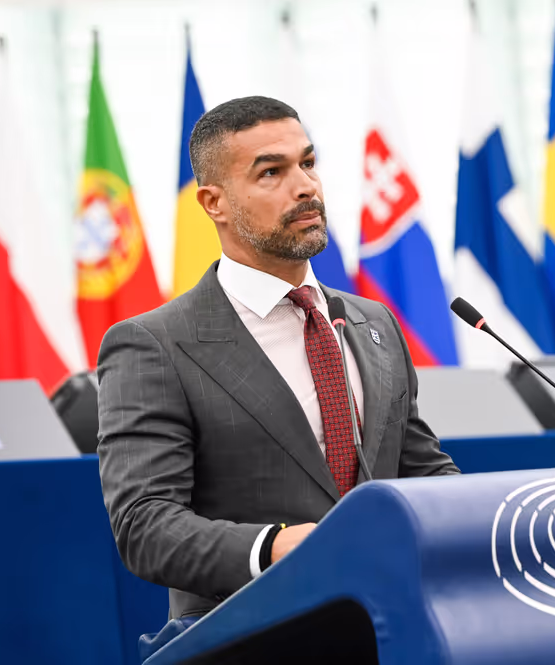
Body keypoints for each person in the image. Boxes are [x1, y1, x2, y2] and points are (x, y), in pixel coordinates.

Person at [96, 96, 460, 620]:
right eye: (272, 172)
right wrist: (272, 547)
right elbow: (145, 525)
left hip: (389, 624)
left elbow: (420, 469)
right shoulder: (154, 344)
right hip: (254, 635)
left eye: (308, 164)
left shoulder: (372, 321)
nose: (306, 187)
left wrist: (478, 514)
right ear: (213, 203)